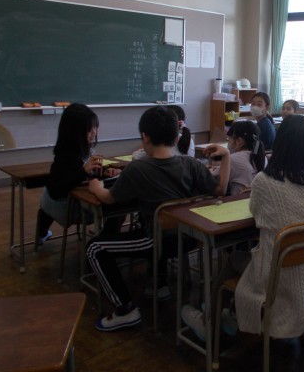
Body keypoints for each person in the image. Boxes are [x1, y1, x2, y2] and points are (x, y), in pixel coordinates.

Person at [182, 114, 304, 340]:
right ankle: (231, 314)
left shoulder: (264, 182)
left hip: (276, 277)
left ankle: (210, 322)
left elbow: (256, 212)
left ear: (280, 144)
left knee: (234, 260)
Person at [86, 105, 230, 332]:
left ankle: (125, 310)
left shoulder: (138, 168)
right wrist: (227, 156)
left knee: (94, 247)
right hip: (189, 237)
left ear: (145, 137)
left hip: (156, 241)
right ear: (177, 137)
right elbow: (220, 189)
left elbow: (109, 198)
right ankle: (158, 284)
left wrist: (96, 187)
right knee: (156, 226)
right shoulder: (191, 164)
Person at [37, 103, 120, 245]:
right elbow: (58, 189)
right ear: (75, 132)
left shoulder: (81, 149)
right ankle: (105, 241)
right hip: (67, 208)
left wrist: (104, 174)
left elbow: (84, 176)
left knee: (112, 194)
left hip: (59, 204)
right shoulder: (67, 155)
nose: (94, 132)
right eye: (89, 129)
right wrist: (84, 171)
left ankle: (105, 238)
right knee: (117, 203)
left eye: (95, 127)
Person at [224, 120, 266, 195]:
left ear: (239, 141)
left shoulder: (233, 159)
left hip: (236, 200)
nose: (228, 142)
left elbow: (213, 179)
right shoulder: (264, 158)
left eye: (229, 139)